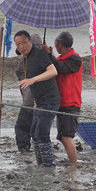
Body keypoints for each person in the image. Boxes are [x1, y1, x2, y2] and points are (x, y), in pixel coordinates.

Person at [14, 31, 60, 167]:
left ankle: (49, 165)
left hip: (50, 100)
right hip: (39, 101)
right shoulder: (26, 59)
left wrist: (33, 79)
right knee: (34, 133)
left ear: (30, 41)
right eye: (18, 44)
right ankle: (41, 164)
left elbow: (53, 71)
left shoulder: (39, 54)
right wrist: (34, 101)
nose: (21, 46)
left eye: (24, 43)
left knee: (41, 134)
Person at [46, 31, 82, 164]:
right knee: (62, 136)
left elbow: (62, 68)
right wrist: (50, 56)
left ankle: (73, 163)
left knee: (67, 136)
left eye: (56, 45)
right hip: (61, 102)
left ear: (60, 45)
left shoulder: (75, 59)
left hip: (71, 102)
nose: (55, 47)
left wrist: (50, 55)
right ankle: (72, 161)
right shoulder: (61, 58)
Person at [14, 34, 42, 153]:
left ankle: (25, 148)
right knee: (33, 126)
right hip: (32, 99)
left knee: (23, 126)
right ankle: (30, 148)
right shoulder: (28, 59)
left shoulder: (38, 59)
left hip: (32, 100)